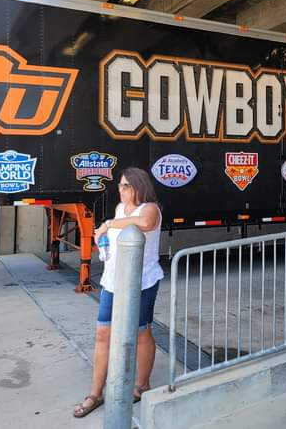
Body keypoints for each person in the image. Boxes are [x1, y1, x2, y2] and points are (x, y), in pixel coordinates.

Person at [74, 167, 164, 418]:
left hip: (141, 281)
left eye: (126, 186)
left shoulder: (150, 208)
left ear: (139, 186)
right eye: (120, 186)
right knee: (103, 333)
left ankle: (142, 385)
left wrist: (108, 224)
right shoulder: (118, 209)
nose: (121, 190)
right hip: (113, 281)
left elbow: (145, 223)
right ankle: (96, 393)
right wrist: (102, 238)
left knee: (141, 331)